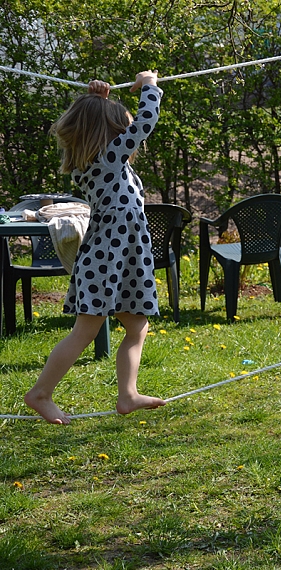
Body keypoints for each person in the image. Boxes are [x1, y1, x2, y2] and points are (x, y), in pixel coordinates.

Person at [24, 71, 167, 424]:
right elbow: (145, 123)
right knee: (85, 331)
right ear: (111, 134)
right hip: (108, 259)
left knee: (137, 326)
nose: (128, 137)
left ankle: (128, 395)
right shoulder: (108, 159)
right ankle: (40, 393)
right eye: (122, 130)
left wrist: (97, 101)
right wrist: (149, 85)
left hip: (121, 258)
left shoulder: (100, 162)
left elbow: (101, 123)